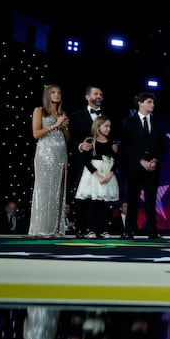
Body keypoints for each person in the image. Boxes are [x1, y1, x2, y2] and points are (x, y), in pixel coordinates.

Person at [120, 91, 166, 240]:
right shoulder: (129, 122)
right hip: (135, 166)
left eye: (153, 102)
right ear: (140, 103)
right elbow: (127, 145)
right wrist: (141, 160)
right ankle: (129, 230)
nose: (152, 105)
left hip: (152, 167)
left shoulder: (158, 122)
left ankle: (152, 230)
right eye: (149, 102)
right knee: (133, 198)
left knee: (151, 199)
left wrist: (155, 160)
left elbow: (162, 145)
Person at [69, 86, 113, 238]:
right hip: (83, 161)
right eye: (96, 94)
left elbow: (113, 136)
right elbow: (70, 138)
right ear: (87, 97)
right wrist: (80, 145)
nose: (99, 96)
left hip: (103, 164)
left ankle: (101, 229)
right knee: (84, 196)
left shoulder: (108, 116)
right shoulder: (76, 116)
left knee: (102, 197)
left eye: (101, 94)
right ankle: (81, 228)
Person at [28, 84, 71, 238]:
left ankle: (56, 228)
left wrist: (65, 127)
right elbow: (36, 133)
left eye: (59, 92)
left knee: (58, 191)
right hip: (45, 154)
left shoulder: (61, 113)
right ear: (47, 95)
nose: (57, 95)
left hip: (61, 154)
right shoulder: (39, 110)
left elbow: (67, 137)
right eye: (53, 92)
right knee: (45, 190)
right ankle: (43, 228)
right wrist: (55, 125)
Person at [74, 115, 119, 239]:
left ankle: (103, 229)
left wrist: (110, 175)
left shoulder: (112, 143)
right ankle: (90, 230)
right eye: (106, 126)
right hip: (93, 176)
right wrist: (98, 177)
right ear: (98, 127)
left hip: (107, 175)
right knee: (92, 203)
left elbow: (117, 160)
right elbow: (86, 161)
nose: (108, 129)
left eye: (109, 126)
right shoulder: (90, 141)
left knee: (105, 204)